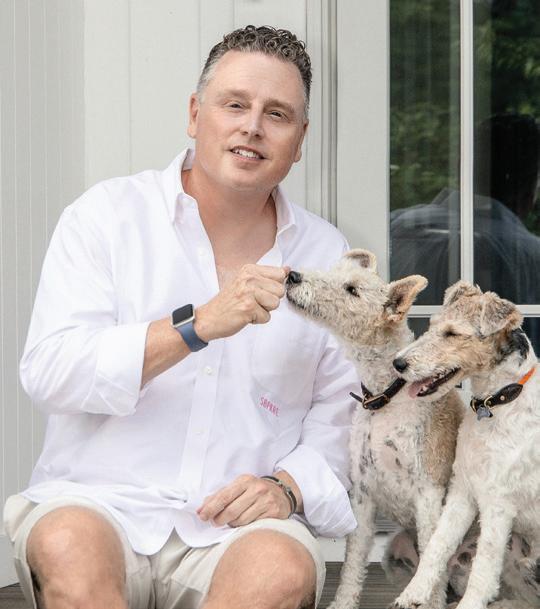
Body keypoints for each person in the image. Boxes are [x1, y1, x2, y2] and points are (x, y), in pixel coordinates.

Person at [3, 25, 359, 609]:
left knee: (280, 569)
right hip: (100, 504)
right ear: (195, 114)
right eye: (234, 105)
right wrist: (194, 327)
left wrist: (288, 488)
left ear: (299, 141)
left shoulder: (326, 255)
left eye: (277, 114)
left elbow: (342, 414)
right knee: (66, 544)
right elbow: (50, 371)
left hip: (237, 531)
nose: (252, 127)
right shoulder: (105, 216)